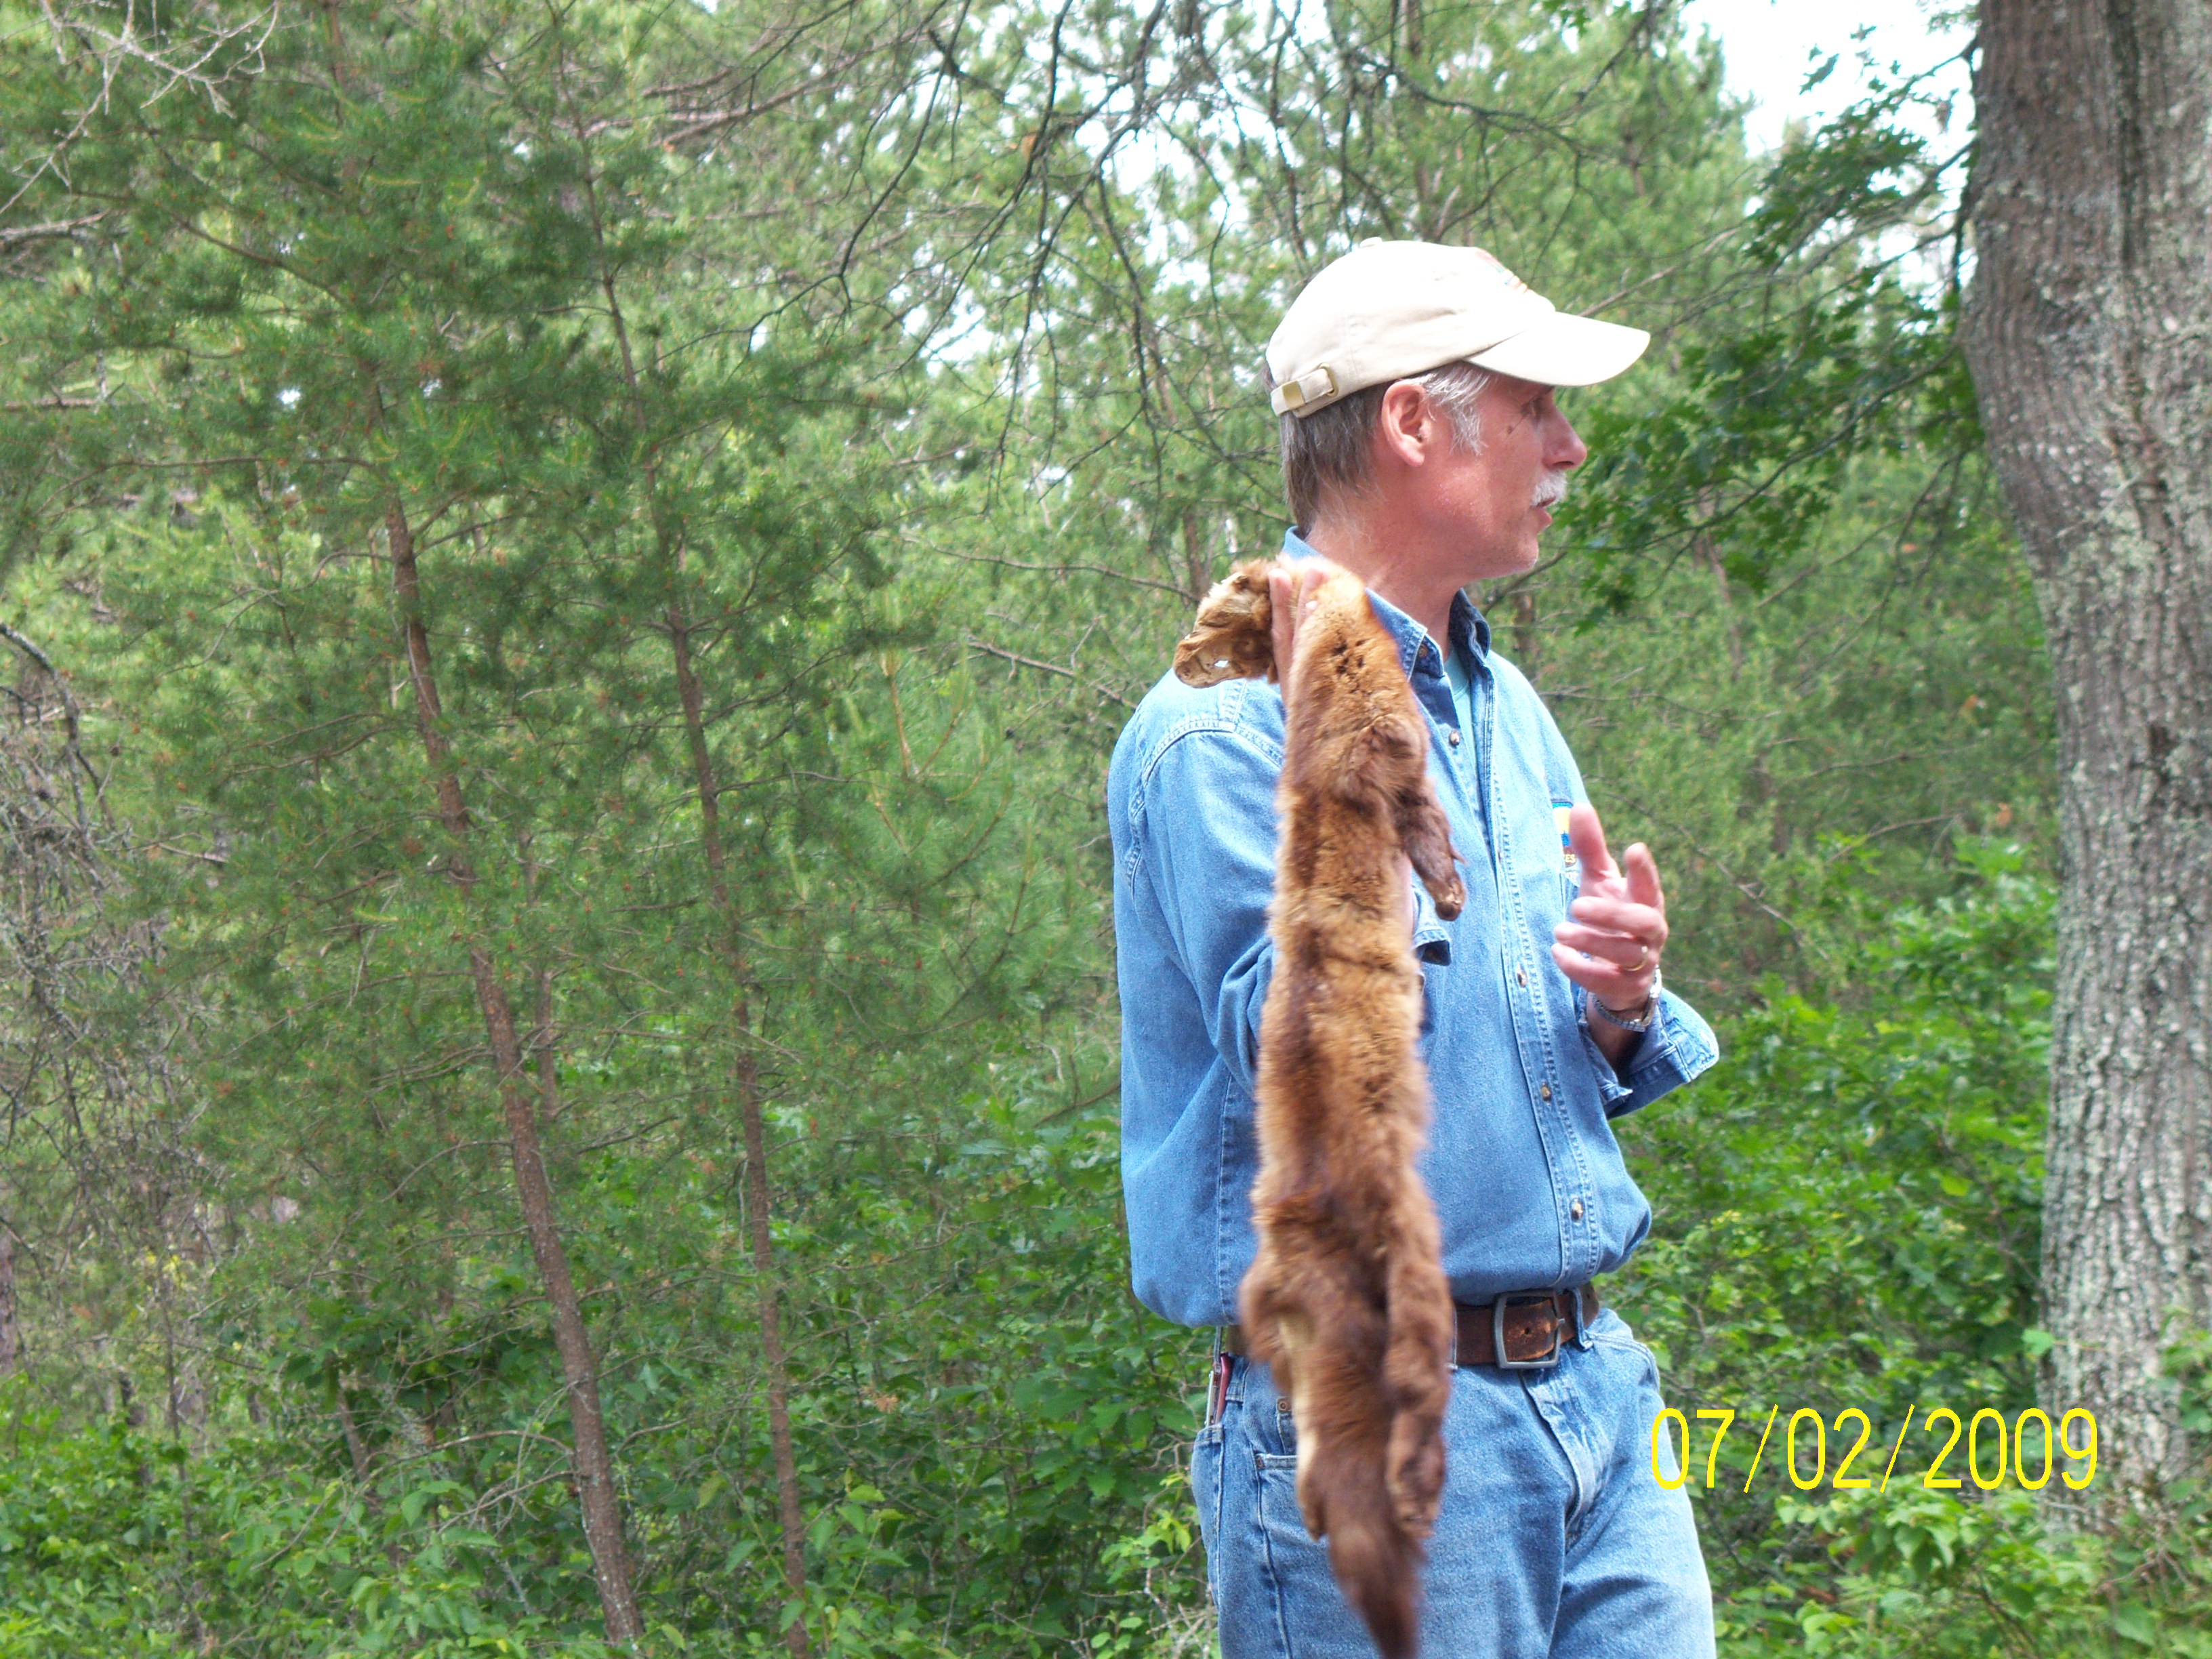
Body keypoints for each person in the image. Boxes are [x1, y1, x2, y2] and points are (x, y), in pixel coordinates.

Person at [1106, 240, 1720, 1658]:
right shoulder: (1222, 731)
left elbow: (1531, 1057)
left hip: (1600, 1394)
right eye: (1533, 408)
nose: (1568, 447)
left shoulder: (1506, 706)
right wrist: (1347, 741)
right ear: (1409, 424)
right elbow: (1323, 1074)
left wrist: (1619, 1002)